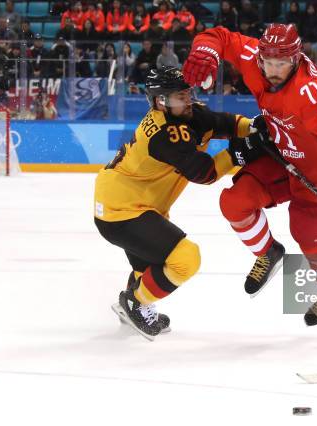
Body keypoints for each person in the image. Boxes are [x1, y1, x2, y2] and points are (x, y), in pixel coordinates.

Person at [182, 24, 317, 325]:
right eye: (269, 63)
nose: (273, 70)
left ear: (296, 59)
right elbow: (221, 37)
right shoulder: (258, 58)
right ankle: (268, 253)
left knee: (313, 246)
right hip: (283, 158)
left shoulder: (309, 93)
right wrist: (205, 50)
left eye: (282, 64)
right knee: (235, 202)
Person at [93, 67, 265, 339]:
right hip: (122, 212)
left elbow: (224, 123)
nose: (187, 101)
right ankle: (136, 303)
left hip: (127, 203)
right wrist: (238, 154)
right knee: (185, 259)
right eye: (179, 97)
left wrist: (253, 126)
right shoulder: (164, 133)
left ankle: (133, 302)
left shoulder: (185, 113)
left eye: (187, 94)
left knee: (149, 268)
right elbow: (204, 173)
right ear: (160, 101)